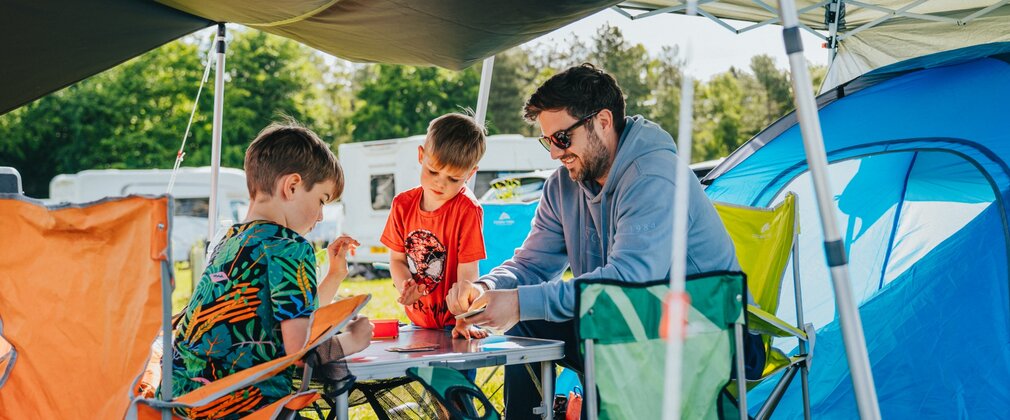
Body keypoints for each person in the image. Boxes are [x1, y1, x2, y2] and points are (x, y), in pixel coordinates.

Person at [446, 64, 741, 417]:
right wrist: (484, 288)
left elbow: (629, 282)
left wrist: (521, 302)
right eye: (547, 142)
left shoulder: (654, 175)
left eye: (562, 138)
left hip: (701, 331)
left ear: (602, 121)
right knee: (524, 321)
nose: (555, 153)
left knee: (532, 310)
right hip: (622, 325)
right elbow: (532, 265)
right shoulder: (563, 185)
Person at [165, 122, 373, 419]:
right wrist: (352, 341)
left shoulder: (229, 241)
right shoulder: (289, 247)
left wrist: (334, 275)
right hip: (237, 407)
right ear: (291, 186)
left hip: (181, 402)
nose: (320, 216)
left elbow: (286, 316)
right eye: (321, 200)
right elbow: (298, 351)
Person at [381, 113, 489, 341]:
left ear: (470, 174)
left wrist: (463, 320)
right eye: (433, 171)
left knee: (456, 378)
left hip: (455, 325)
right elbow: (397, 260)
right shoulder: (402, 205)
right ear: (421, 155)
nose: (440, 183)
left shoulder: (467, 210)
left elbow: (467, 276)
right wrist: (405, 286)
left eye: (454, 179)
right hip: (418, 322)